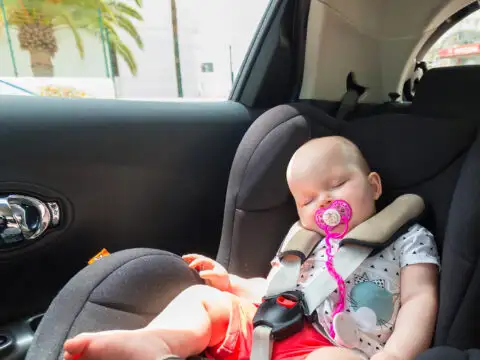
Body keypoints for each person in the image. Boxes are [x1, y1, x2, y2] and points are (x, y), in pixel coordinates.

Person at [63, 136, 440, 360]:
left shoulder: (407, 240)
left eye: (337, 184)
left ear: (374, 186)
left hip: (340, 349)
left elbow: (420, 300)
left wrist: (394, 356)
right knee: (203, 300)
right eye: (308, 200)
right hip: (279, 329)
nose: (324, 202)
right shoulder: (306, 243)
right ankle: (154, 342)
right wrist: (234, 285)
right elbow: (281, 292)